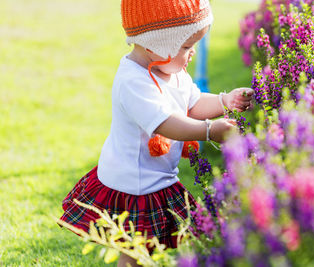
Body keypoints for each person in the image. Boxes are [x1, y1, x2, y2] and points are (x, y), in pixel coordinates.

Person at [59, 0, 254, 266]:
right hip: (131, 185)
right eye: (186, 46)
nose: (192, 53)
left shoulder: (172, 70)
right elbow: (166, 123)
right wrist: (209, 131)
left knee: (149, 248)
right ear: (156, 46)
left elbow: (193, 104)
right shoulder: (133, 81)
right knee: (133, 250)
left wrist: (224, 101)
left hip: (158, 178)